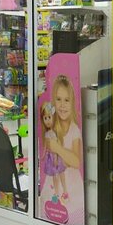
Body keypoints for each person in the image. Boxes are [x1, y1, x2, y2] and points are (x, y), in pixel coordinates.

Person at [44, 75, 82, 204]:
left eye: (67, 100)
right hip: (52, 185)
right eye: (58, 99)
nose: (62, 105)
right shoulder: (51, 128)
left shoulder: (74, 130)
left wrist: (58, 149)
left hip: (72, 187)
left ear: (73, 102)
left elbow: (76, 162)